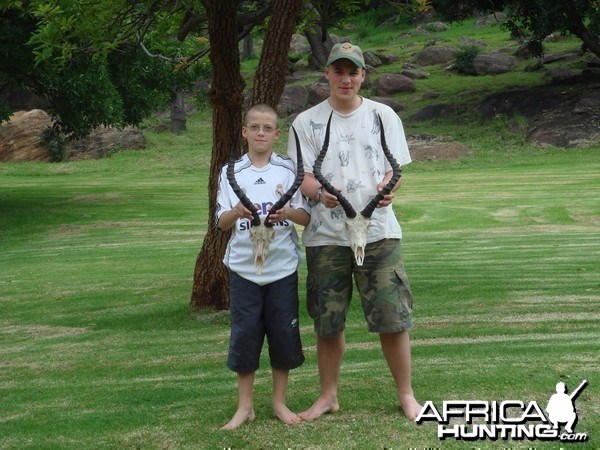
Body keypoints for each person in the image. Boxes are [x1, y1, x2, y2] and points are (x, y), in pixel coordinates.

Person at [287, 43, 421, 421]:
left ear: (363, 75)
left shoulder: (384, 116)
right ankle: (328, 395)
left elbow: (395, 169)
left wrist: (389, 187)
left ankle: (406, 395)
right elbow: (304, 178)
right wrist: (321, 194)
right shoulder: (305, 123)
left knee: (393, 316)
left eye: (353, 72)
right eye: (338, 71)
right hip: (326, 235)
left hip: (379, 231)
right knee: (328, 320)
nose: (346, 79)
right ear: (326, 74)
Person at [216, 103, 310, 430]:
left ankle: (279, 402)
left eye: (267, 128)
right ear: (244, 131)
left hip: (281, 267)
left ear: (275, 134)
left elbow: (305, 216)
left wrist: (289, 214)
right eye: (254, 127)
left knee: (283, 333)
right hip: (243, 268)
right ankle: (245, 407)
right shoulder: (231, 172)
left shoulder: (288, 170)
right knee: (245, 334)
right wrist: (237, 212)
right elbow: (222, 222)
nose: (260, 133)